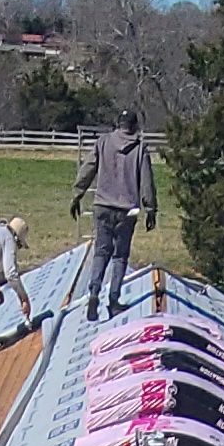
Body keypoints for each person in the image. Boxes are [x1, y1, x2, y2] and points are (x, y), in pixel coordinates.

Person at [69, 112, 156, 320]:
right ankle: (114, 300)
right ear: (134, 126)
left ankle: (93, 293)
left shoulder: (103, 142)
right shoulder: (140, 148)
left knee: (101, 252)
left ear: (118, 124)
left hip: (102, 206)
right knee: (120, 256)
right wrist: (151, 208)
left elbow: (87, 169)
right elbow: (146, 181)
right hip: (127, 209)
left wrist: (77, 195)